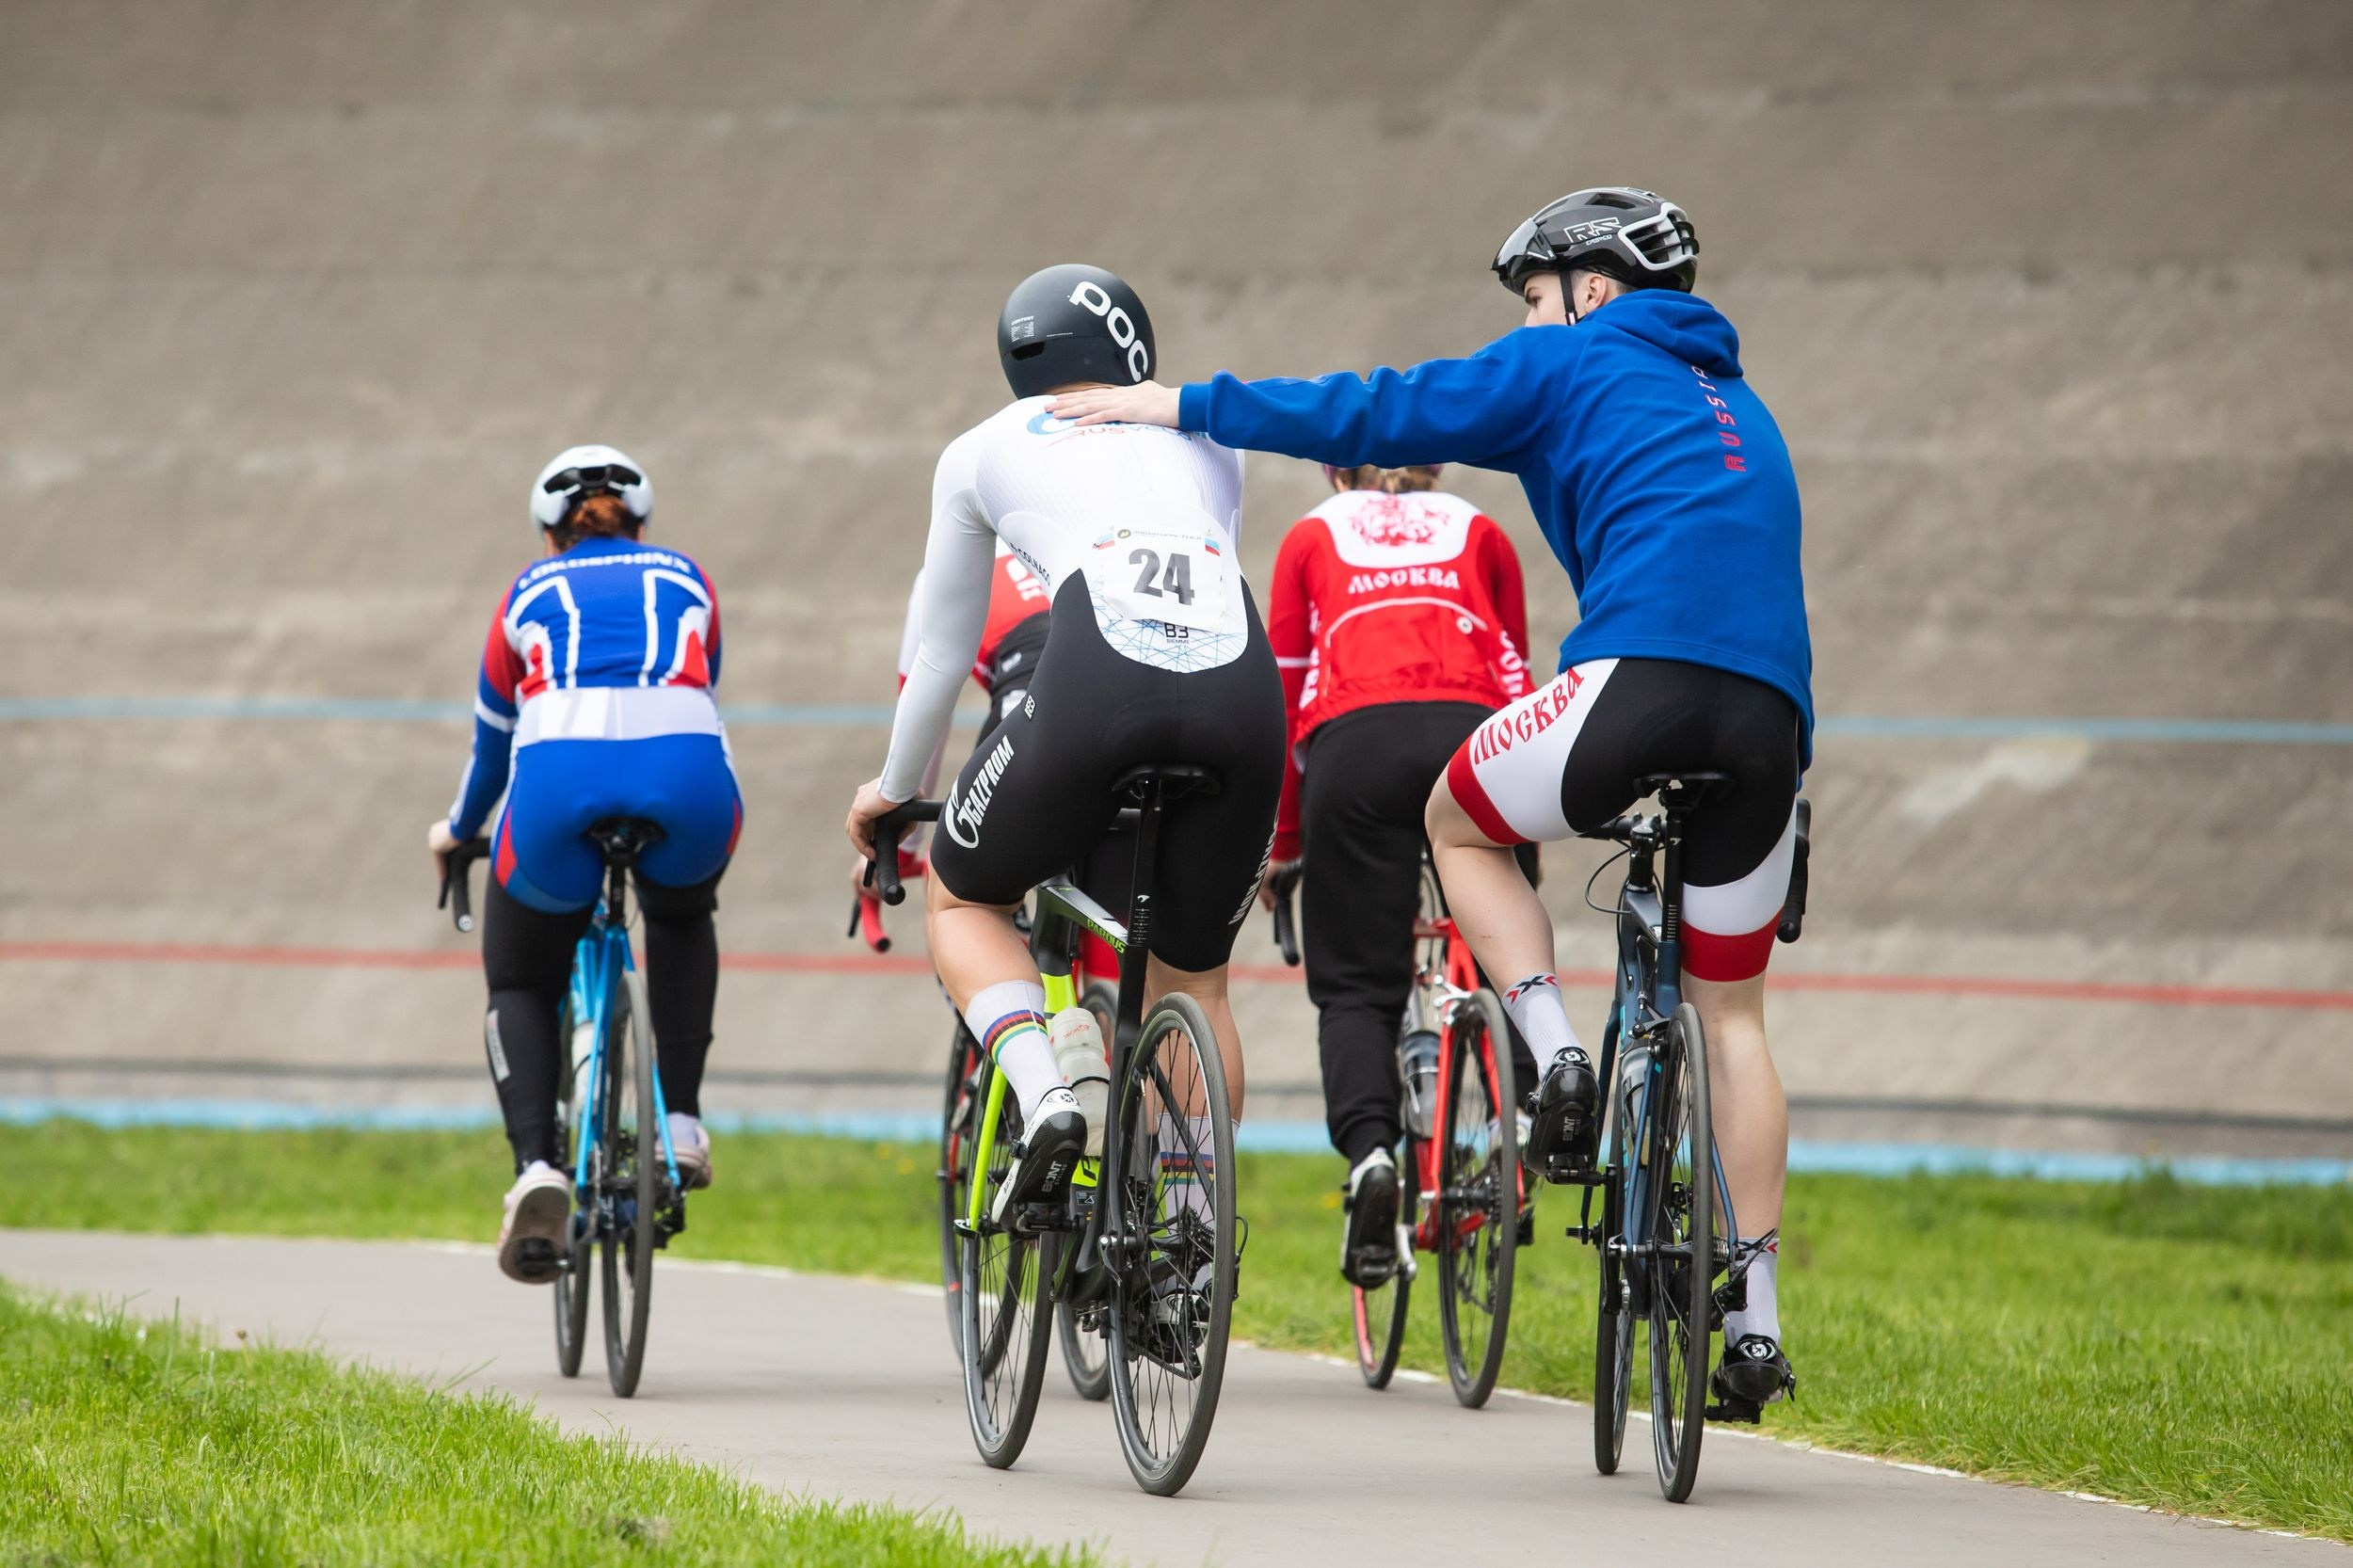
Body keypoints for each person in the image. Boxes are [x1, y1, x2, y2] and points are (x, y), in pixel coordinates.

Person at [1047, 189, 1809, 1412]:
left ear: (1591, 292)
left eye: (1535, 302)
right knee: (1735, 1023)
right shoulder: (1744, 405)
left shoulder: (1571, 364)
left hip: (1634, 682)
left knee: (1459, 818)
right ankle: (1758, 1320)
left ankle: (1557, 1057)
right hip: (1772, 724)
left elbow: (1374, 406)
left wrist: (1177, 401)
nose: (1532, 322)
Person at [842, 264, 1285, 1230]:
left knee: (963, 897)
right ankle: (1192, 1234)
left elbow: (941, 650)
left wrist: (890, 788)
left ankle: (1047, 1096)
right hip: (1242, 696)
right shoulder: (1205, 431)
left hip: (1097, 686)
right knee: (1194, 979)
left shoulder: (978, 449)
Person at [427, 445, 743, 1285]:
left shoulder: (523, 596)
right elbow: (697, 687)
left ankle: (537, 1168)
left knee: (521, 980)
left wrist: (457, 832)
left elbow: (491, 752)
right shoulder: (689, 578)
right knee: (679, 913)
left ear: (548, 536)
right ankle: (678, 1119)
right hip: (689, 777)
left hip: (556, 781)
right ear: (639, 526)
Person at [1259, 460, 1537, 1284]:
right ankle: (1521, 1115)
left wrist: (1284, 841)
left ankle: (1375, 1156)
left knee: (1355, 988)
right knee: (1509, 944)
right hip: (1478, 735)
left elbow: (1283, 691)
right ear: (1438, 468)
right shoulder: (1479, 527)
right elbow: (1517, 673)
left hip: (1358, 745)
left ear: (1331, 472)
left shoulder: (1312, 532)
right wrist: (1524, 845)